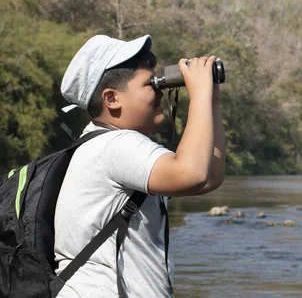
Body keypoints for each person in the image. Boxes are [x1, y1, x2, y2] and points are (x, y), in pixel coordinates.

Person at [54, 34, 225, 297]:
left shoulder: (100, 145)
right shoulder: (116, 146)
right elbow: (191, 173)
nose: (160, 89)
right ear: (112, 99)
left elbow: (208, 177)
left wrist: (211, 101)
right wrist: (199, 95)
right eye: (150, 83)